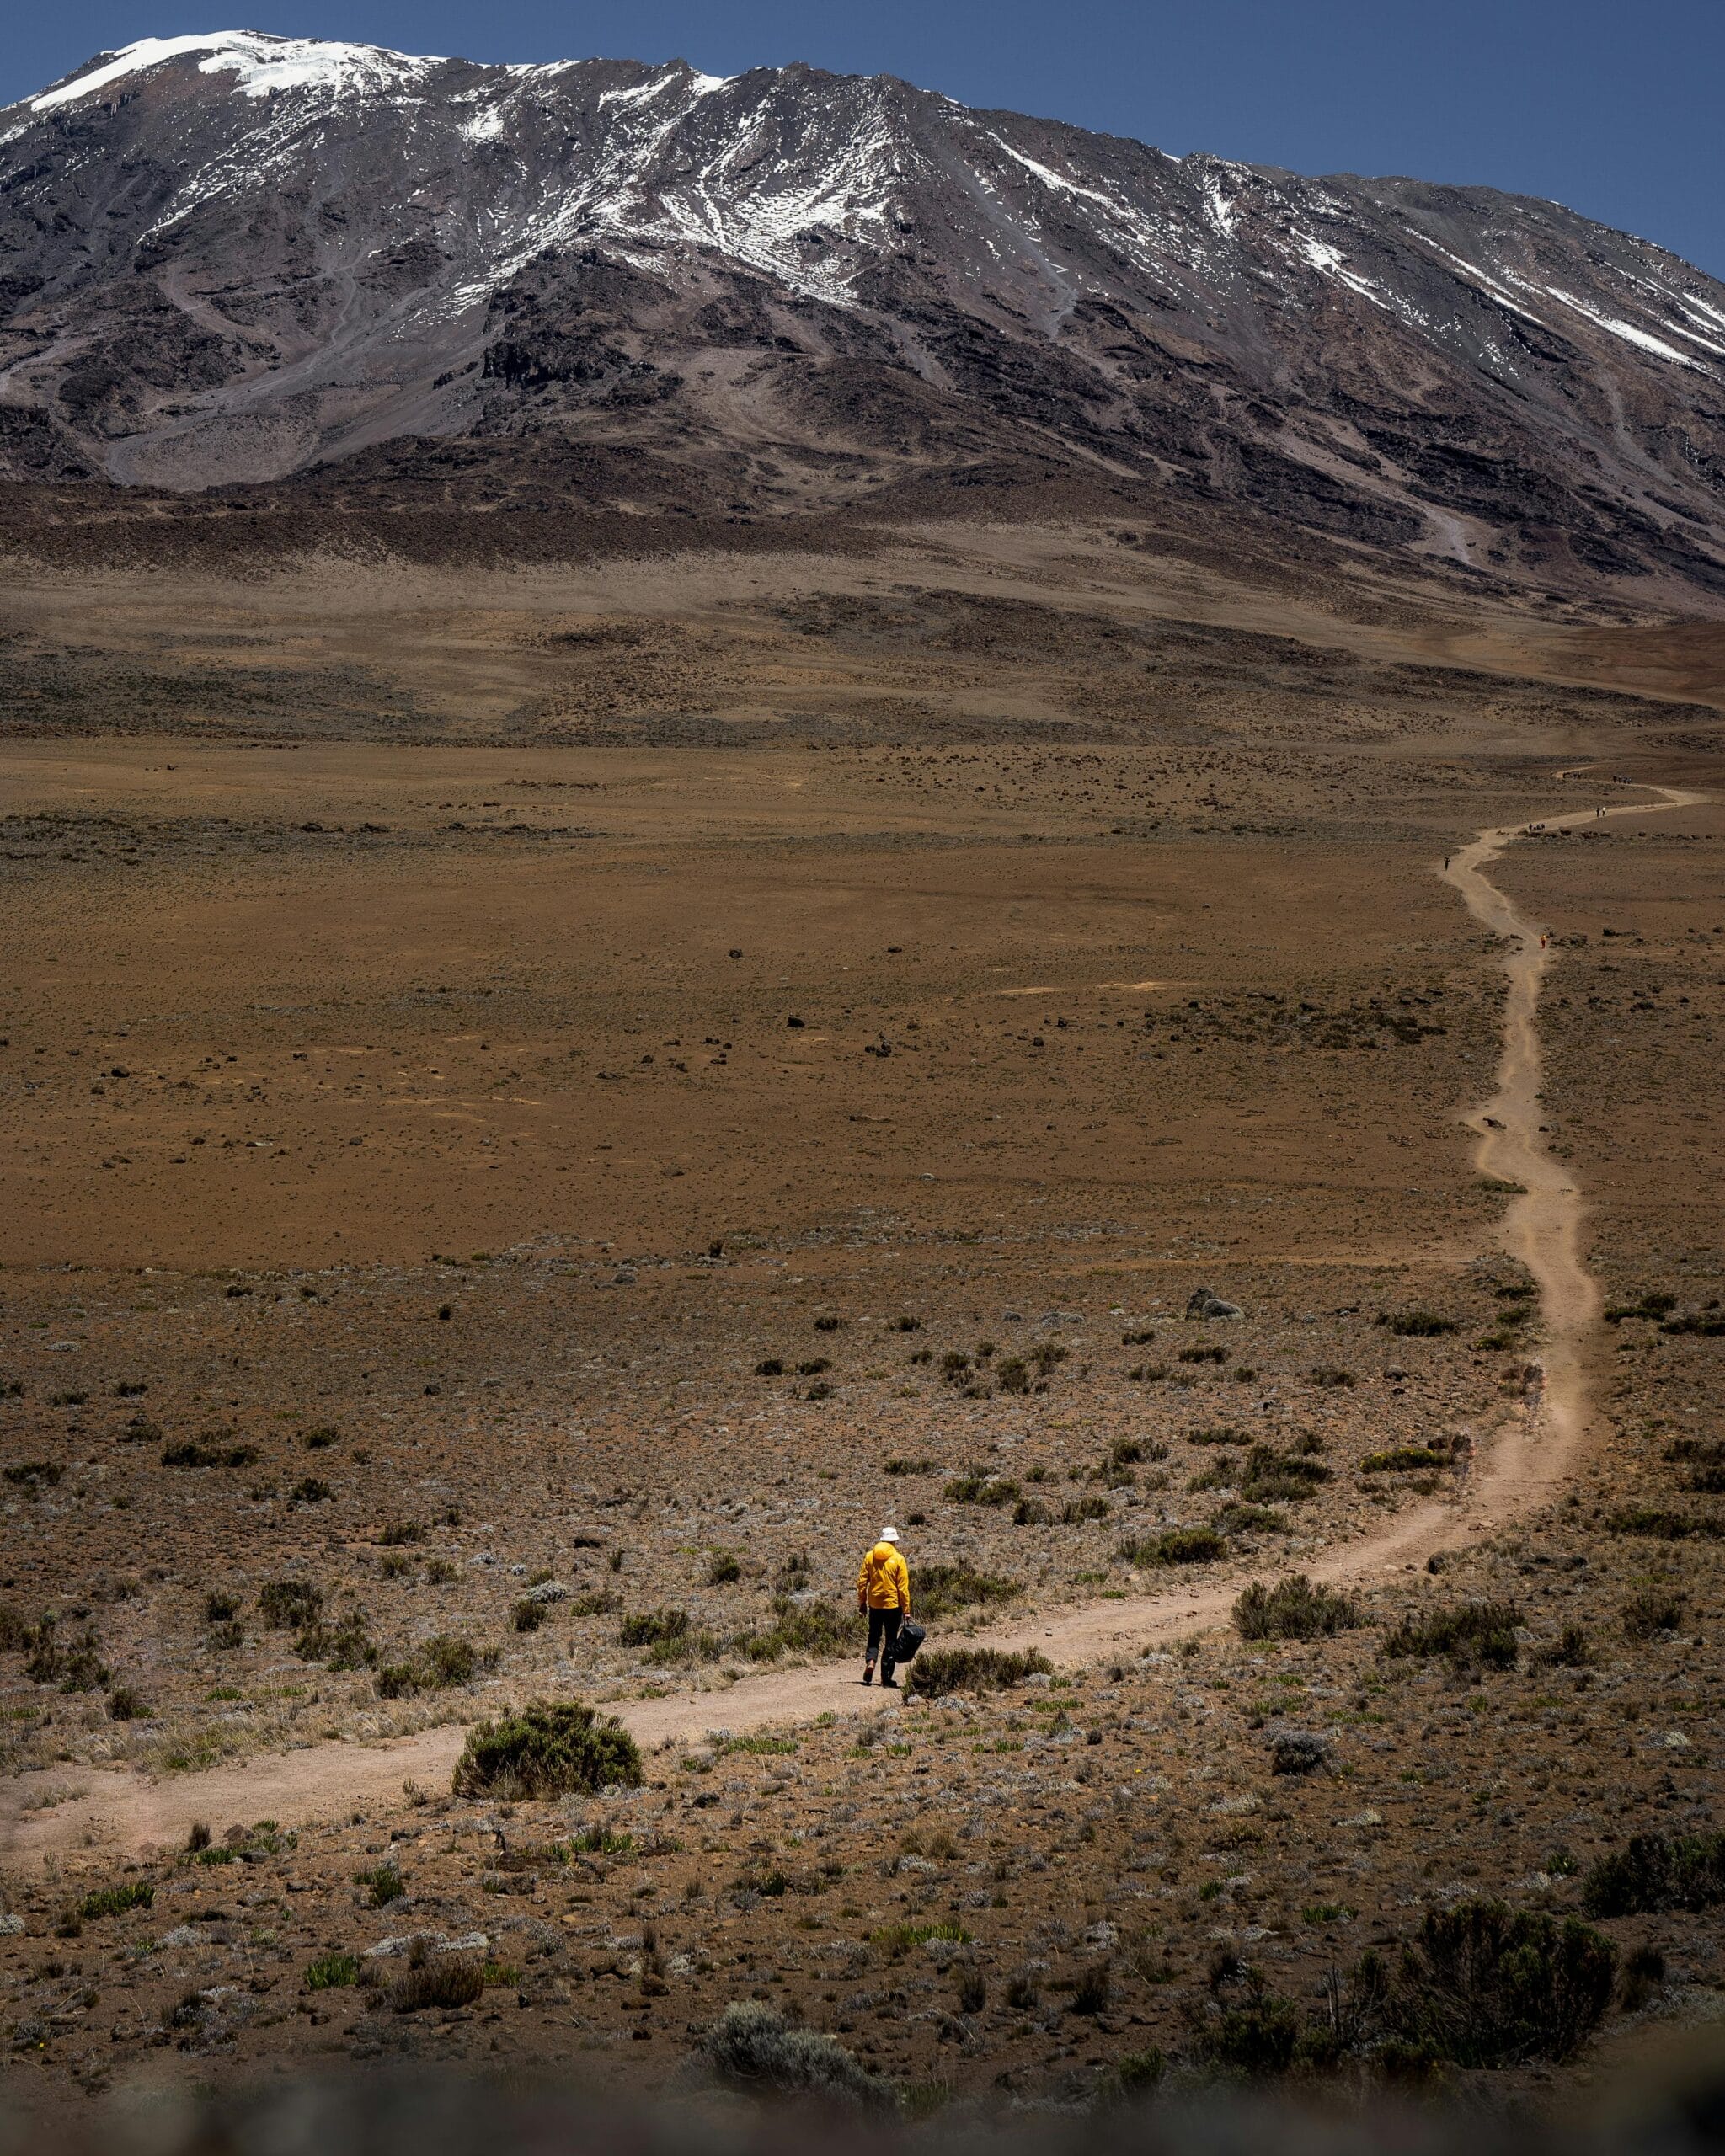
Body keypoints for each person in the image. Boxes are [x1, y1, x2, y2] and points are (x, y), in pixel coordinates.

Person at [857, 1526, 911, 1688]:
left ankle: (871, 1661)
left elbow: (861, 1582)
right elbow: (903, 1588)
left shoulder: (869, 1557)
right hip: (893, 1606)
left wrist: (862, 1603)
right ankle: (886, 1678)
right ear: (893, 1541)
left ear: (881, 1539)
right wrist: (906, 1610)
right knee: (891, 1641)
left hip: (874, 1605)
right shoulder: (899, 1559)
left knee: (873, 1636)